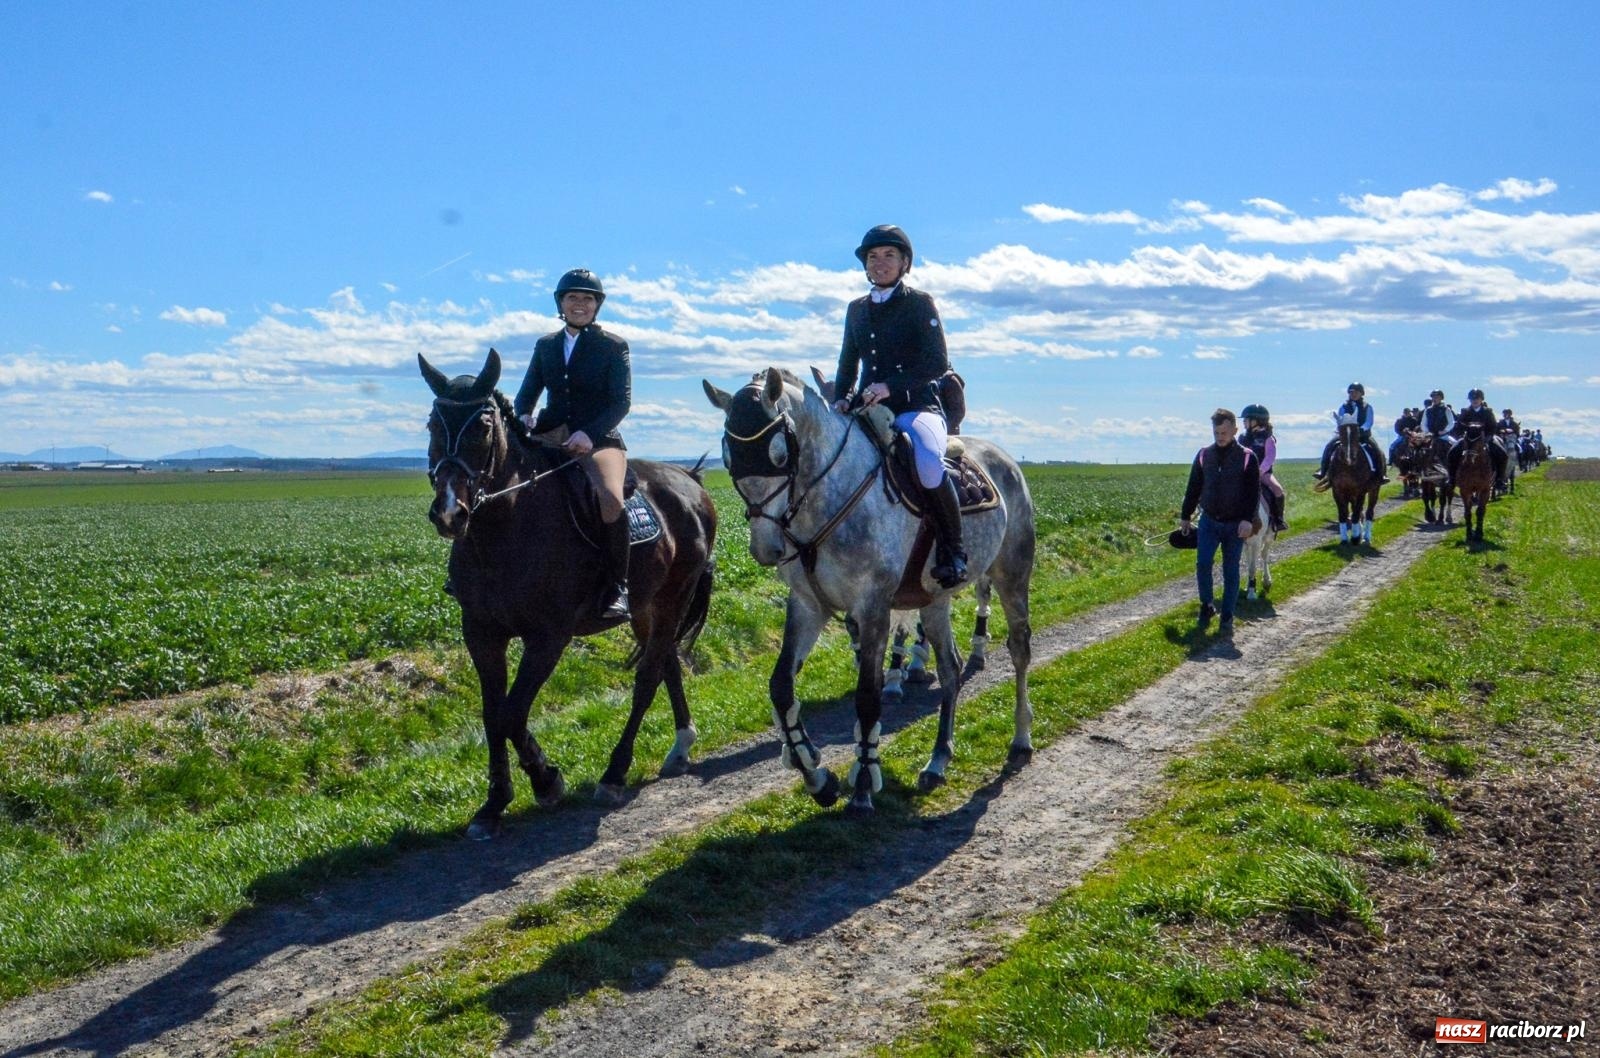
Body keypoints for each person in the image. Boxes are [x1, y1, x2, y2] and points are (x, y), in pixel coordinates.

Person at [832, 224, 966, 587]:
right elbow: (847, 366)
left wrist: (890, 386)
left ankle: (954, 550)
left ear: (904, 262)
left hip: (918, 408)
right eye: (873, 257)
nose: (880, 263)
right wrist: (841, 400)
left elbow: (936, 363)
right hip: (868, 410)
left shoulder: (920, 303)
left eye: (889, 255)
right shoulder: (856, 309)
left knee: (925, 460)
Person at [514, 268, 633, 620]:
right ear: (561, 303)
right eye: (572, 298)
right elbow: (526, 395)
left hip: (599, 438)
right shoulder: (546, 345)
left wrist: (589, 434)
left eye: (587, 298)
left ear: (597, 305)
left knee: (610, 498)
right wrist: (524, 417)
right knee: (498, 482)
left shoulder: (613, 346)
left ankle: (617, 586)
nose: (579, 304)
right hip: (550, 433)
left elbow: (620, 402)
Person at [1180, 408, 1260, 641]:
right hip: (1209, 522)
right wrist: (1186, 516)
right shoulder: (1204, 455)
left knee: (1230, 569)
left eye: (1224, 432)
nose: (1220, 436)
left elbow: (1252, 493)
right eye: (1216, 432)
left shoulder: (1247, 457)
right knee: (1203, 564)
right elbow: (1193, 487)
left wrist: (1247, 520)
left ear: (1235, 430)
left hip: (1235, 525)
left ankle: (1227, 617)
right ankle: (1206, 605)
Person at [1314, 382, 1389, 484]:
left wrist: (1361, 429)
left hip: (1362, 435)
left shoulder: (1367, 407)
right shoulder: (1343, 407)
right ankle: (1323, 471)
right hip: (1345, 435)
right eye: (1351, 392)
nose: (1353, 394)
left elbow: (1369, 421)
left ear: (1361, 393)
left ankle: (1381, 475)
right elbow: (1340, 419)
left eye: (1356, 392)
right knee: (1329, 446)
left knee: (1376, 450)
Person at [1446, 387, 1508, 489]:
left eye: (1477, 398)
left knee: (1503, 454)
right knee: (1451, 452)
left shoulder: (1487, 411)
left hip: (1485, 438)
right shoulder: (1465, 411)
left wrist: (1488, 437)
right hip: (1468, 438)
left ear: (1481, 399)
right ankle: (1452, 478)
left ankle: (1500, 479)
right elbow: (1459, 426)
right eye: (1472, 399)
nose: (1474, 400)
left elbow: (1493, 426)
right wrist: (1461, 435)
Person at [1240, 404, 1287, 532]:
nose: (1243, 422)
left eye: (1246, 419)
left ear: (1257, 420)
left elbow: (1270, 457)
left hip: (1263, 473)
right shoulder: (1242, 438)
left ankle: (1278, 519)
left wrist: (1260, 470)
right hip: (1243, 474)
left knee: (1278, 490)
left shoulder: (1268, 438)